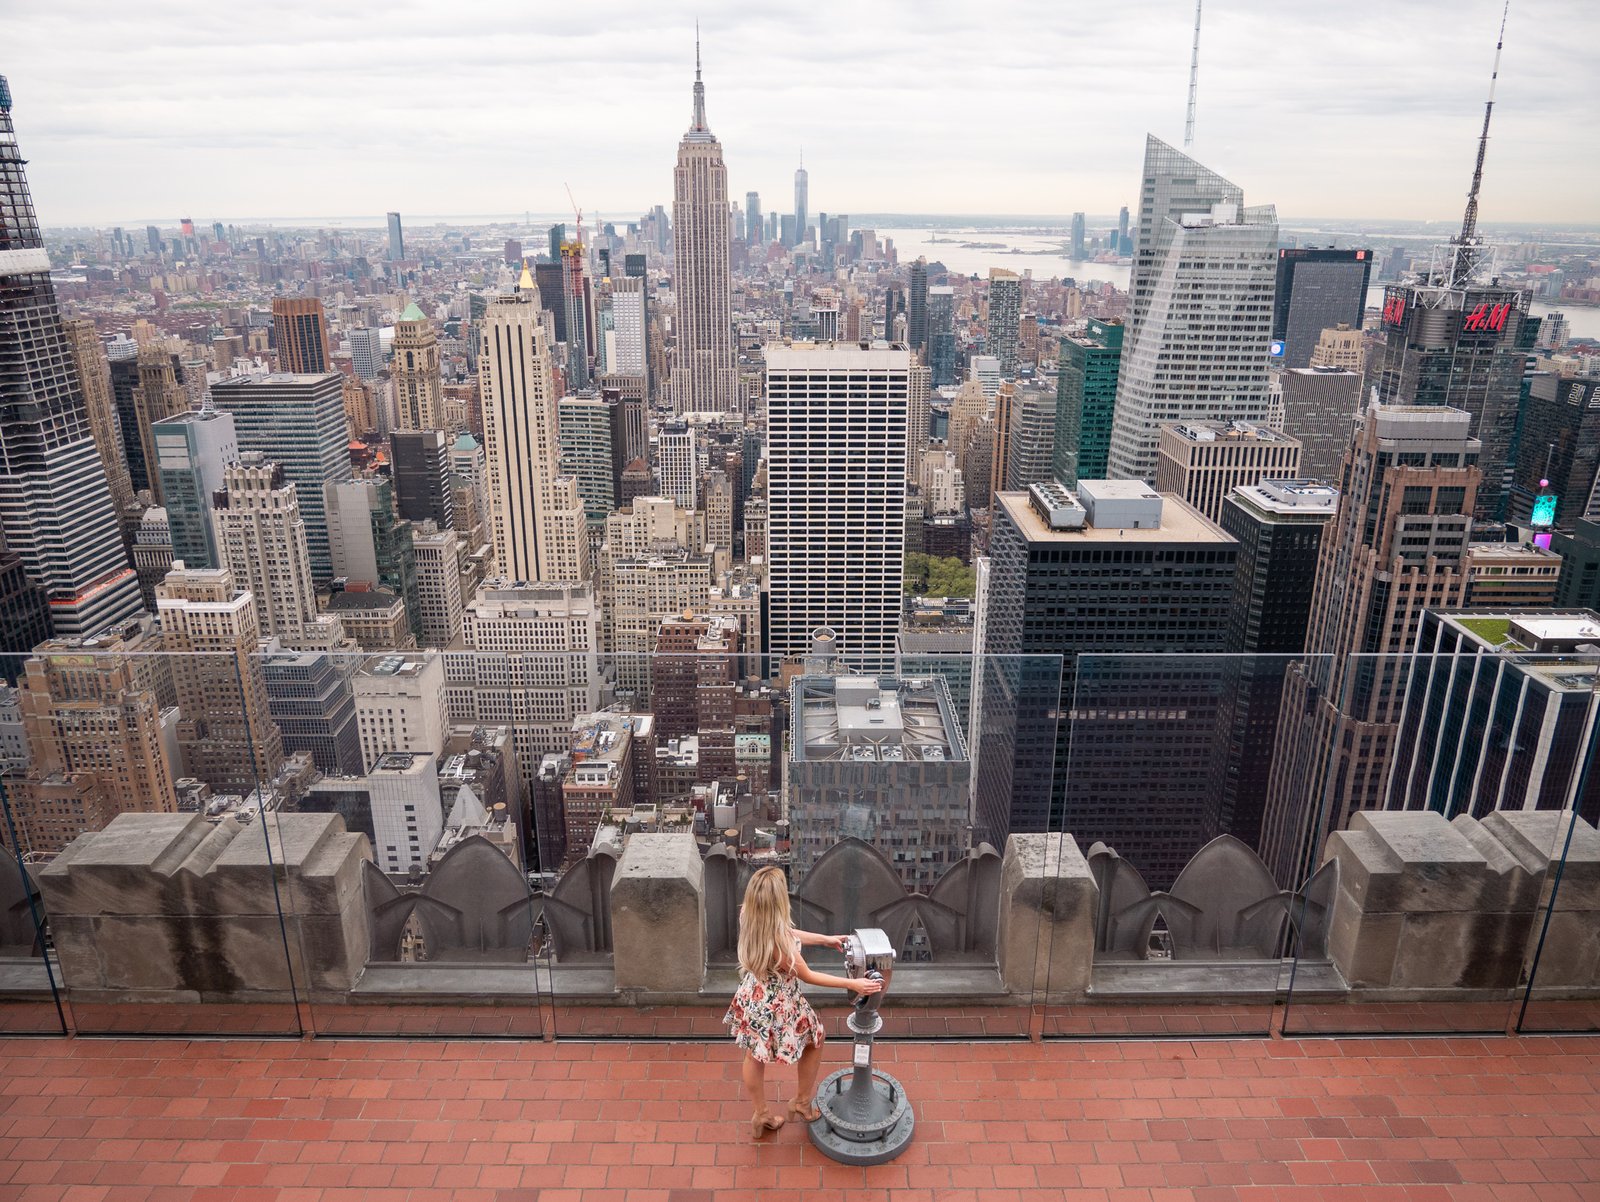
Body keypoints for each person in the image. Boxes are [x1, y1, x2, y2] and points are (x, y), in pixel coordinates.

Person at [724, 865, 883, 1138]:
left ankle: (761, 1113)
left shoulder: (748, 915)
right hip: (780, 1002)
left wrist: (824, 939)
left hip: (753, 995)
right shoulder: (782, 946)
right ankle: (801, 1103)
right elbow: (808, 974)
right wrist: (852, 983)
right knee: (816, 1038)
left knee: (753, 1054)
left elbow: (785, 931)